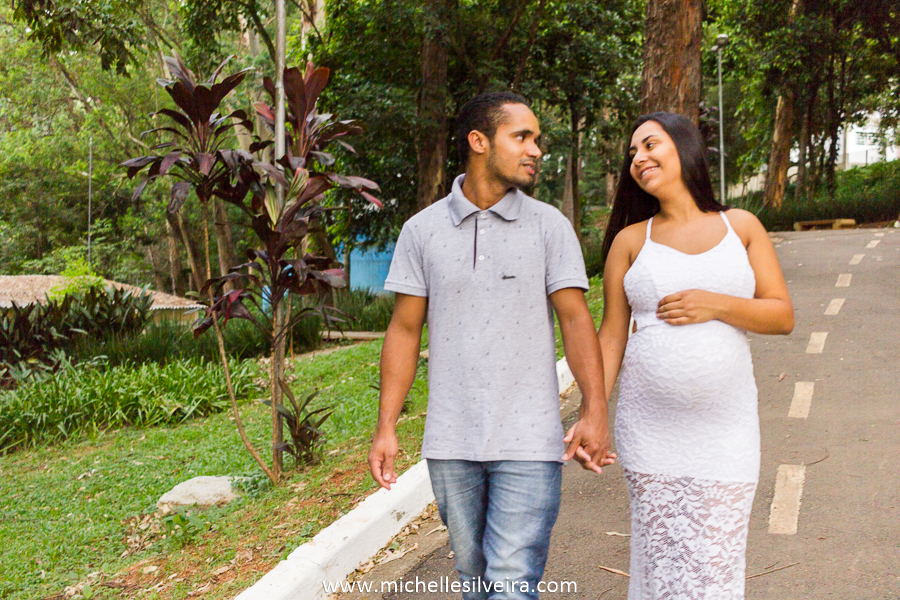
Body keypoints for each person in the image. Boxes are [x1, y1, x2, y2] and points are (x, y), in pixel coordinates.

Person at [368, 91, 615, 600]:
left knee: (510, 583)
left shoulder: (549, 226)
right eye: (522, 137)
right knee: (474, 582)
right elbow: (404, 330)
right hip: (451, 442)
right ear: (479, 141)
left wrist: (595, 409)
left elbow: (574, 320)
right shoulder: (422, 231)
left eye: (538, 139)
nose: (536, 149)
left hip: (529, 439)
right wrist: (386, 426)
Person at [597, 112, 794, 599]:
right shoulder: (629, 241)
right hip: (650, 433)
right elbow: (610, 337)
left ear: (684, 148)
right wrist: (593, 415)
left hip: (726, 434)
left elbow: (782, 315)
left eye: (649, 145)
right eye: (632, 154)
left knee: (714, 566)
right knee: (659, 566)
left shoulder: (741, 226)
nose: (638, 158)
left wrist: (717, 303)